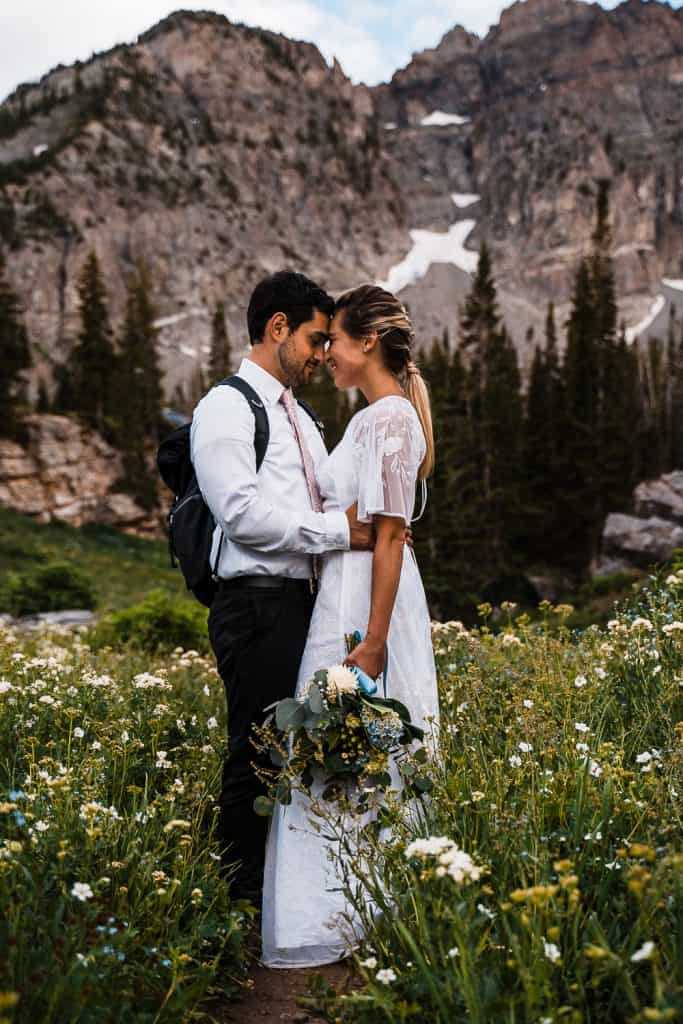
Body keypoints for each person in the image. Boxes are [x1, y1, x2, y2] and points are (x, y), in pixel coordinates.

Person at [261, 283, 439, 968]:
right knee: (333, 746)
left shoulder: (390, 418)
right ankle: (339, 908)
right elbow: (378, 528)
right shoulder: (373, 418)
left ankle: (357, 913)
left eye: (332, 338)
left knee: (356, 742)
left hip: (365, 606)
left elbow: (390, 538)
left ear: (367, 341)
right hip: (346, 589)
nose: (326, 352)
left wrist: (370, 642)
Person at [190, 271, 375, 906]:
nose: (324, 355)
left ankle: (287, 900)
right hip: (256, 604)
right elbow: (240, 513)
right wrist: (338, 533)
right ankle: (237, 905)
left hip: (304, 606)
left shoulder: (300, 416)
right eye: (317, 340)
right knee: (258, 752)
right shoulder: (225, 407)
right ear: (278, 329)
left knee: (299, 751)